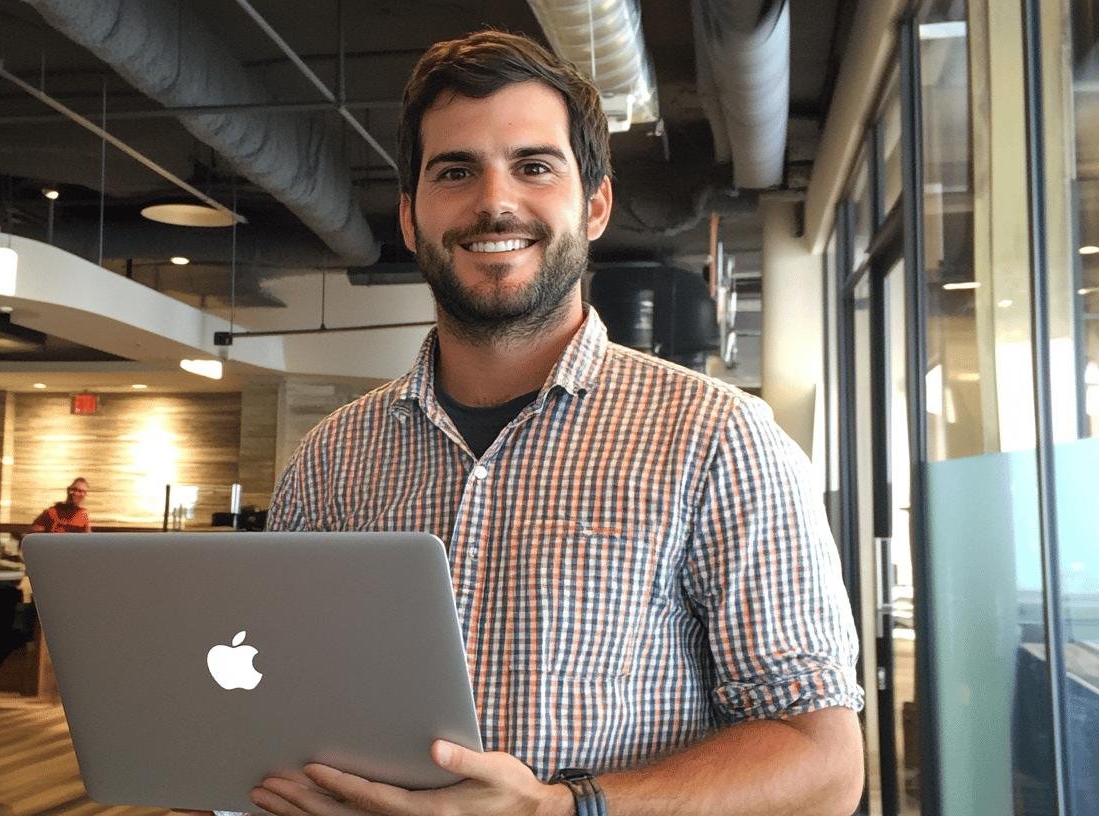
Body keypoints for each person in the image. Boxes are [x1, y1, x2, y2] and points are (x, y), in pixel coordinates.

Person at [180, 30, 863, 816]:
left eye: (534, 166)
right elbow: (278, 693)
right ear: (410, 218)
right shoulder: (332, 458)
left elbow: (824, 766)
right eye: (455, 171)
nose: (494, 201)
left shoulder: (720, 439)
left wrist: (565, 807)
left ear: (595, 204)